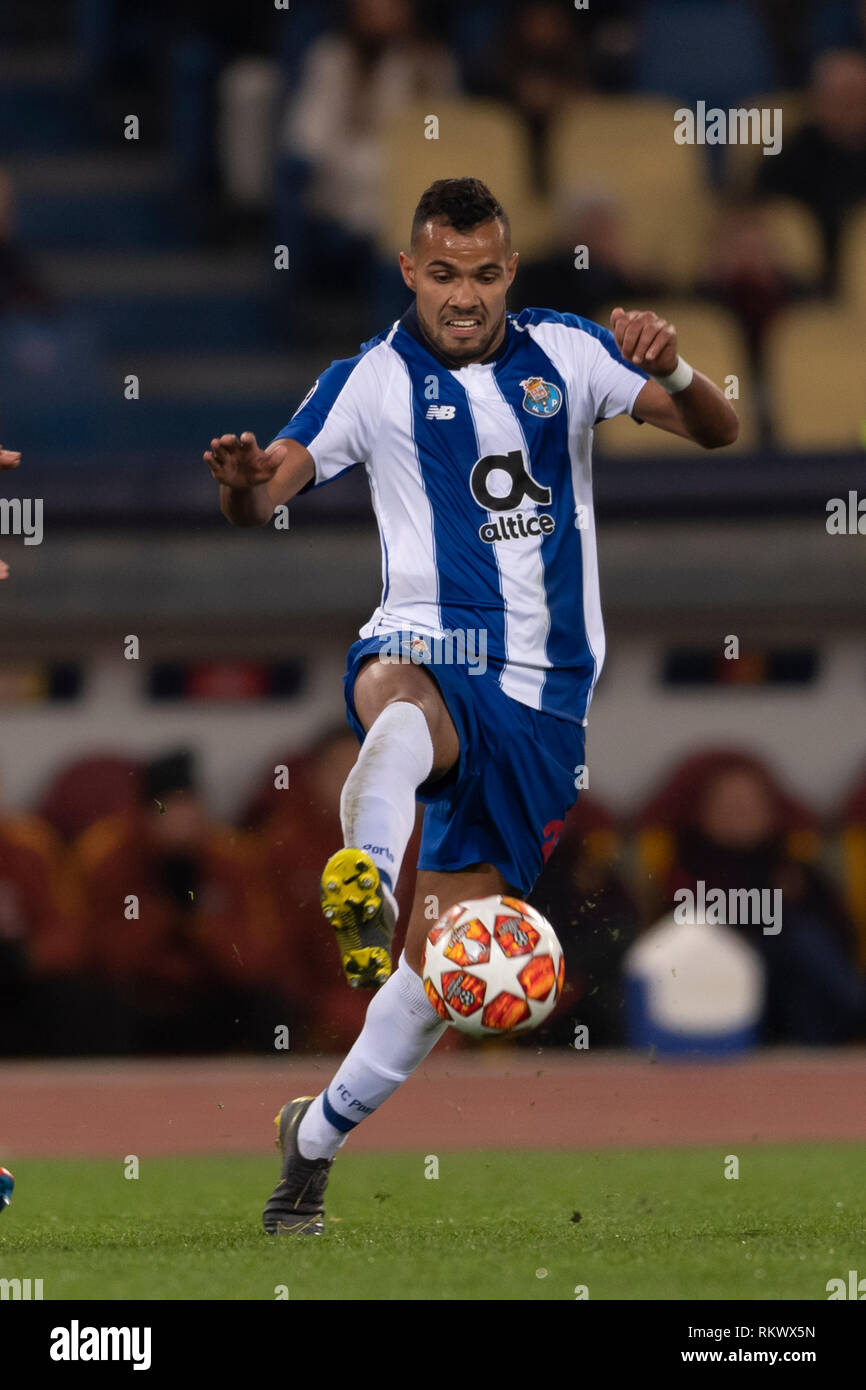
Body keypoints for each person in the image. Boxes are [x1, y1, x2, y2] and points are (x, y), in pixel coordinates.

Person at [204, 175, 739, 1235]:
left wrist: (670, 361)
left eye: (484, 273)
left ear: (508, 272)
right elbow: (263, 495)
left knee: (437, 971)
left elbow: (714, 429)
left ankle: (309, 1144)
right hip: (428, 642)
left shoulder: (569, 353)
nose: (463, 295)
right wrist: (236, 480)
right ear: (410, 270)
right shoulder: (365, 381)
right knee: (397, 701)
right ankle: (360, 865)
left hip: (543, 703)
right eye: (442, 273)